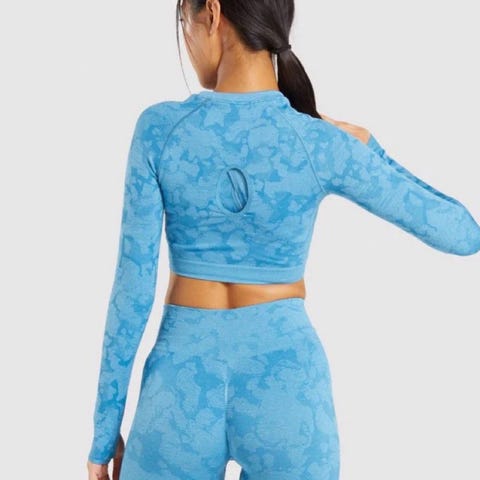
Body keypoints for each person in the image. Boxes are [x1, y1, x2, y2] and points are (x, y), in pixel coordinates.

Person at [86, 1, 480, 479]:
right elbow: (463, 234)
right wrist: (368, 146)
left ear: (212, 13)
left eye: (183, 22)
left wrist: (104, 434)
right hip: (287, 387)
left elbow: (131, 294)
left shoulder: (160, 129)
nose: (186, 42)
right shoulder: (317, 141)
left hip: (180, 392)